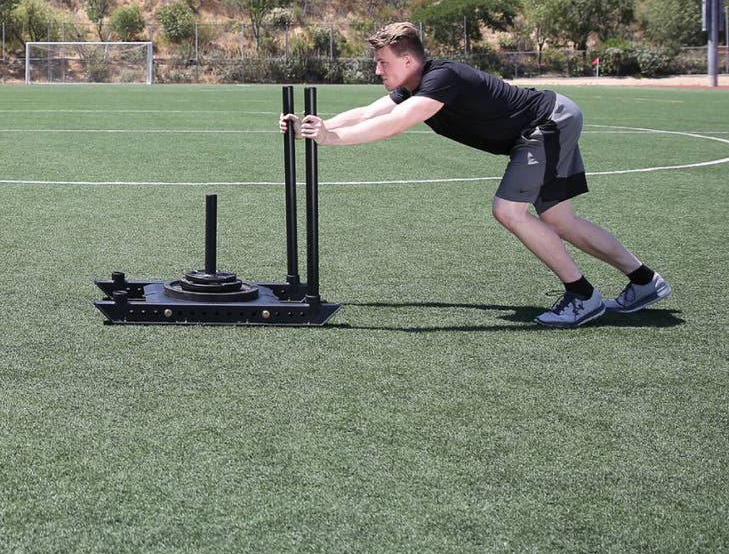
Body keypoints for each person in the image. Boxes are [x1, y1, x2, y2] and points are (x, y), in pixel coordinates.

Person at [281, 21, 669, 328]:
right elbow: (370, 113)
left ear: (409, 61)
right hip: (546, 122)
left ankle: (582, 296)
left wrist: (332, 139)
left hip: (546, 122)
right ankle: (644, 281)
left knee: (509, 210)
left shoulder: (440, 79)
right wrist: (316, 127)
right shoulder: (413, 85)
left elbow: (396, 123)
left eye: (384, 62)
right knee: (559, 220)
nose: (377, 69)